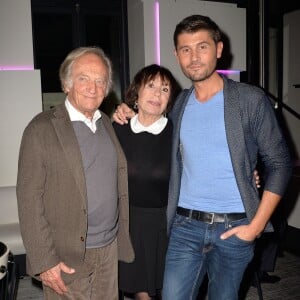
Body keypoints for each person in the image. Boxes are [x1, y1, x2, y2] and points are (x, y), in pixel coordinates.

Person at [113, 15, 292, 300]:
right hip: (184, 227)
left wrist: (256, 226)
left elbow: (280, 164)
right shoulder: (179, 105)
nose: (193, 57)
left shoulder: (249, 100)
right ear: (176, 55)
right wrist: (124, 110)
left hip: (235, 227)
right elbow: (149, 126)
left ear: (219, 49)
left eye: (202, 47)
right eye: (185, 49)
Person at [16, 46, 134, 300]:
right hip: (67, 255)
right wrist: (44, 261)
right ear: (67, 83)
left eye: (100, 80)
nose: (93, 87)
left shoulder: (105, 122)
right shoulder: (41, 129)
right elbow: (28, 199)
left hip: (108, 248)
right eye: (84, 78)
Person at [114, 64, 180, 300]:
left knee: (169, 288)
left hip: (165, 224)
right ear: (136, 92)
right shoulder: (117, 129)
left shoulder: (176, 133)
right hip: (126, 222)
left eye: (164, 89)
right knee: (142, 291)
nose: (156, 94)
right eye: (150, 86)